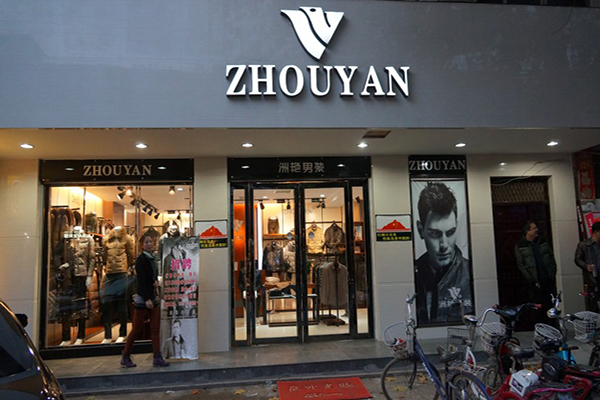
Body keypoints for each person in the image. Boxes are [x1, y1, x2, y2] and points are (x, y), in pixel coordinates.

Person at [414, 182, 473, 324]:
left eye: (451, 232)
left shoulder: (470, 273)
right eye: (435, 233)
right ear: (421, 230)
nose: (444, 245)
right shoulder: (413, 274)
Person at [120, 236, 170, 368]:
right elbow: (141, 281)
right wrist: (147, 298)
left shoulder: (153, 258)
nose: (149, 244)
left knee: (155, 328)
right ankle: (125, 354)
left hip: (153, 296)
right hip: (144, 297)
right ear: (142, 245)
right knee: (137, 328)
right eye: (146, 242)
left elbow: (151, 277)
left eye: (151, 241)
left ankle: (157, 356)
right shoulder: (141, 259)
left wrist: (155, 282)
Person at [515, 220, 557, 324]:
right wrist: (531, 279)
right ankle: (539, 327)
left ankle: (553, 326)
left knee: (551, 305)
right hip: (535, 282)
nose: (536, 230)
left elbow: (551, 257)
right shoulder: (520, 245)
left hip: (548, 278)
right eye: (534, 228)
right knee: (537, 306)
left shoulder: (543, 241)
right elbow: (521, 265)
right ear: (527, 231)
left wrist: (552, 273)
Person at [574, 221, 600, 312]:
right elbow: (577, 259)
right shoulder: (584, 245)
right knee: (593, 307)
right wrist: (586, 266)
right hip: (592, 280)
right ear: (596, 232)